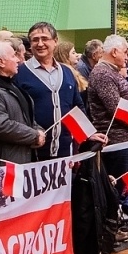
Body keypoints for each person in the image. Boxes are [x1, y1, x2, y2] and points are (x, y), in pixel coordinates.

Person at [18, 22, 90, 158]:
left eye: (44, 39)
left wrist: (88, 134)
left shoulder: (67, 72)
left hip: (65, 150)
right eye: (35, 40)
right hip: (33, 152)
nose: (40, 44)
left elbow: (77, 106)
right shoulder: (20, 73)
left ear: (55, 41)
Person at [0, 40, 46, 163]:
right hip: (4, 164)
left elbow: (27, 118)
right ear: (1, 62)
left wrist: (39, 131)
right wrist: (34, 136)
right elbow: (0, 126)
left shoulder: (12, 86)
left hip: (21, 158)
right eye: (13, 56)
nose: (18, 60)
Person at [86, 34, 128, 178]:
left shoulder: (111, 71)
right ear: (114, 52)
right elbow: (116, 108)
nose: (127, 57)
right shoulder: (102, 73)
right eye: (125, 52)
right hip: (116, 142)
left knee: (126, 187)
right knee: (117, 187)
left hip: (124, 140)